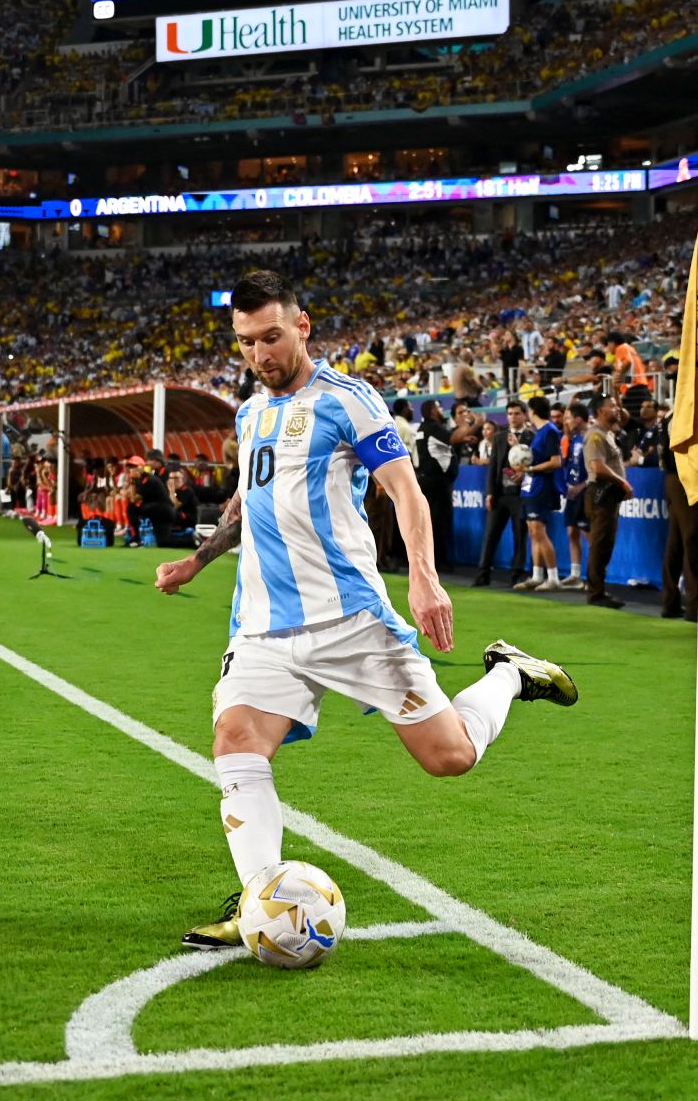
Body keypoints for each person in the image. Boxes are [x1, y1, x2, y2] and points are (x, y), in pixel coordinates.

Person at [153, 270, 575, 951]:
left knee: (450, 757)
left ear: (302, 325)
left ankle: (511, 675)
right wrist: (196, 562)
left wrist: (426, 581)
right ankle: (261, 902)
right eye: (245, 343)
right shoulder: (250, 412)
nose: (259, 354)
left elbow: (407, 493)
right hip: (262, 624)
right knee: (236, 739)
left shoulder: (349, 401)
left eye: (270, 337)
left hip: (350, 619)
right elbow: (246, 502)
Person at [471, 400, 528, 588]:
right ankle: (482, 573)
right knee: (490, 535)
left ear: (525, 415)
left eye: (517, 413)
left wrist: (517, 446)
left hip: (520, 494)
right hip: (499, 493)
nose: (513, 417)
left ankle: (517, 574)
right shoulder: (499, 437)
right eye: (510, 413)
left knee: (520, 535)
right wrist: (489, 493)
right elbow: (494, 466)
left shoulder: (531, 437)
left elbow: (527, 464)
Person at [582, 396, 632, 609]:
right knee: (600, 543)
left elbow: (627, 418)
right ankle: (595, 592)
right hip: (601, 492)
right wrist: (623, 482)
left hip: (607, 494)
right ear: (600, 412)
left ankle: (597, 589)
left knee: (604, 543)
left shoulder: (607, 433)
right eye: (611, 406)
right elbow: (596, 466)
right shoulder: (596, 435)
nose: (617, 409)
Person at [511, 395, 565, 592]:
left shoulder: (549, 431)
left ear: (532, 411)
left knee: (539, 532)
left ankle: (553, 577)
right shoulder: (539, 432)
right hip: (530, 487)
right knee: (533, 532)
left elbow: (556, 461)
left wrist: (531, 470)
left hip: (541, 487)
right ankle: (536, 575)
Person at [658, 399, 698, 620]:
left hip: (675, 478)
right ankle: (695, 606)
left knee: (676, 542)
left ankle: (671, 601)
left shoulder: (672, 414)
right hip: (684, 478)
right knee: (692, 540)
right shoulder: (681, 414)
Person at [414, 399, 460, 571]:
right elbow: (453, 438)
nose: (442, 410)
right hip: (438, 484)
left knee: (429, 523)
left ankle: (430, 561)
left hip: (425, 480)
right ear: (433, 411)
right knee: (440, 523)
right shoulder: (434, 427)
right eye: (439, 407)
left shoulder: (421, 429)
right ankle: (441, 562)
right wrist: (474, 424)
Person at [556, 401, 590, 589]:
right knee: (572, 531)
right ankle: (575, 574)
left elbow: (595, 468)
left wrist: (582, 486)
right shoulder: (575, 438)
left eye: (568, 418)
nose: (566, 421)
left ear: (578, 419)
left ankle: (594, 576)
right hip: (572, 493)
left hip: (585, 492)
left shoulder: (590, 437)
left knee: (589, 534)